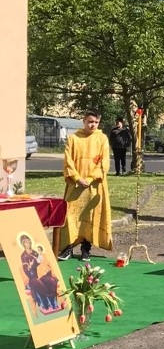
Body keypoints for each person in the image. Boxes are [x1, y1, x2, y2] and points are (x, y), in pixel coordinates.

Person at [58, 110, 112, 262]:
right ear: (84, 121)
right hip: (76, 185)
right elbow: (68, 161)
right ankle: (68, 248)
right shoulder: (73, 138)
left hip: (94, 185)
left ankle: (86, 249)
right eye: (90, 121)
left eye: (96, 122)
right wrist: (77, 178)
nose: (92, 125)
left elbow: (104, 163)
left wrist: (89, 178)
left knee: (90, 216)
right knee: (71, 216)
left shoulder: (102, 138)